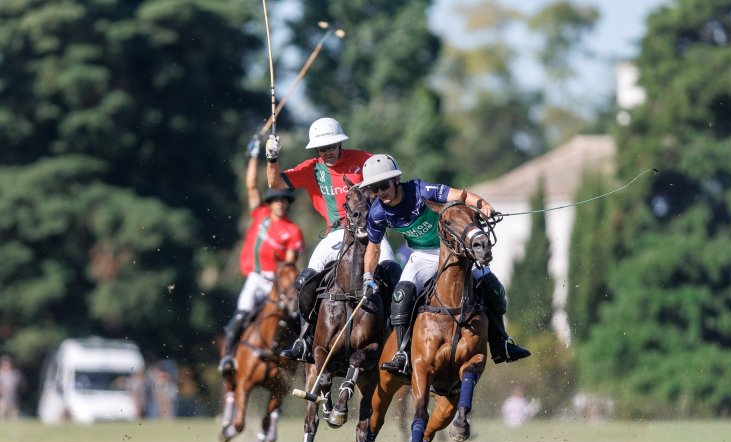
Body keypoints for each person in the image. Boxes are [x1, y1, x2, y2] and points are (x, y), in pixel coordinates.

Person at [359, 154, 531, 375]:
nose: (380, 192)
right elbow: (373, 248)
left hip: (453, 250)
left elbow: (460, 196)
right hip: (421, 255)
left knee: (493, 288)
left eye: (383, 185)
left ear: (396, 180)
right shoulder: (377, 212)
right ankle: (402, 353)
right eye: (374, 189)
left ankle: (502, 343)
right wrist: (367, 277)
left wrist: (485, 206)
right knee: (401, 295)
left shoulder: (420, 191)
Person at [263, 118, 399, 362]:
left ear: (339, 144)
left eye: (331, 147)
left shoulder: (363, 160)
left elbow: (389, 180)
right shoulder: (312, 168)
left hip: (371, 230)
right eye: (321, 148)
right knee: (305, 280)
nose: (326, 152)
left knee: (393, 272)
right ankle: (305, 339)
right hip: (335, 234)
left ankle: (398, 339)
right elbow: (274, 183)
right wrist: (272, 158)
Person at [218, 136, 305, 374]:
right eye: (276, 200)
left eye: (284, 200)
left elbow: (289, 262)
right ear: (271, 203)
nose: (280, 203)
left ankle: (296, 360)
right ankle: (227, 357)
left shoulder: (293, 231)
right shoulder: (260, 216)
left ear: (287, 204)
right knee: (242, 313)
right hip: (257, 279)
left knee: (294, 318)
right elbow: (251, 186)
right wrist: (254, 156)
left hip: (278, 283)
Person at [0, 354, 24, 420]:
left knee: (14, 417)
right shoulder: (1, 374)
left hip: (13, 399)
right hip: (2, 400)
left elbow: (22, 385)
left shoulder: (16, 373)